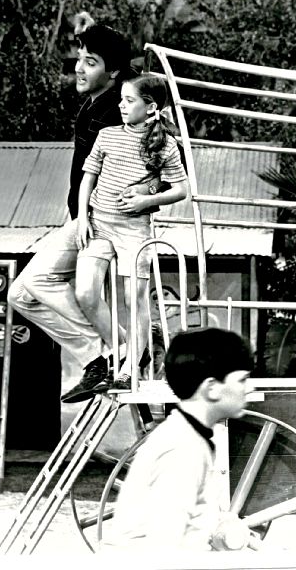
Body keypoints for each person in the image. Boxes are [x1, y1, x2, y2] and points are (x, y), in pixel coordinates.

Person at [8, 24, 140, 404]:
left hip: (100, 218)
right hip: (81, 216)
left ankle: (123, 350)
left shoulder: (117, 109)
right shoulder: (94, 103)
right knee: (20, 294)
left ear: (112, 72)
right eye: (79, 59)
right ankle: (98, 357)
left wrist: (98, 212)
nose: (80, 68)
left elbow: (135, 161)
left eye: (91, 62)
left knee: (39, 281)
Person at [102, 327, 260, 555]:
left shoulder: (187, 435)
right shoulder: (183, 449)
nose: (250, 387)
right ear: (212, 388)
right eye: (243, 380)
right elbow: (164, 550)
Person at [75, 73, 187, 392]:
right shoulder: (108, 135)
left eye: (129, 101)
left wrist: (146, 200)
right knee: (85, 292)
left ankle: (129, 369)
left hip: (134, 229)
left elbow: (181, 190)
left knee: (132, 298)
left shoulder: (164, 143)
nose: (122, 106)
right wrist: (83, 217)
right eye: (121, 100)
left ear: (150, 106)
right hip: (98, 225)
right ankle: (127, 350)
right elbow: (88, 179)